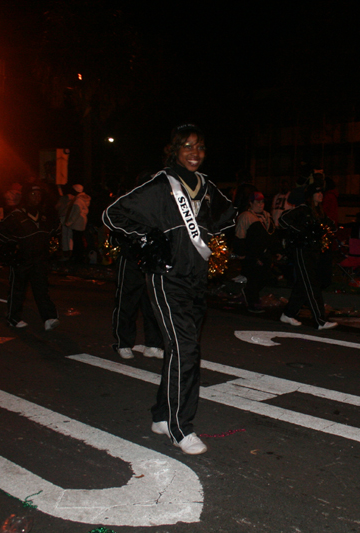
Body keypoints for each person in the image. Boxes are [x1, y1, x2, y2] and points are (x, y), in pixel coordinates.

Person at [102, 124, 236, 455]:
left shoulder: (206, 187)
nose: (195, 152)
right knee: (187, 349)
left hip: (197, 279)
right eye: (187, 146)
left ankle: (162, 416)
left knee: (181, 350)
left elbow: (223, 219)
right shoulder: (161, 185)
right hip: (166, 278)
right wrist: (147, 238)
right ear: (174, 150)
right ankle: (180, 427)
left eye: (200, 146)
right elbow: (112, 214)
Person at [0, 184, 60, 330]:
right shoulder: (16, 215)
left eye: (39, 194)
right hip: (22, 259)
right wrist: (14, 244)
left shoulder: (44, 215)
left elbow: (54, 229)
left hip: (40, 258)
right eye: (33, 194)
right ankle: (13, 317)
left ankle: (49, 317)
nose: (36, 197)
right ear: (26, 196)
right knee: (18, 289)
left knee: (41, 289)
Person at [278, 182, 338, 330]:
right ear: (310, 196)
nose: (320, 195)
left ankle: (288, 313)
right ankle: (320, 320)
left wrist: (330, 229)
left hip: (313, 252)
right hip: (301, 251)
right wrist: (300, 231)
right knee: (311, 284)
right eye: (317, 193)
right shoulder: (303, 209)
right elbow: (283, 220)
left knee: (303, 284)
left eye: (321, 193)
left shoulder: (319, 212)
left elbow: (330, 226)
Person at [109, 230, 166, 360]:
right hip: (131, 256)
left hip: (151, 257)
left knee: (152, 302)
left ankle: (153, 344)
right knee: (127, 300)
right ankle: (123, 343)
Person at [235, 191, 282, 312]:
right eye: (258, 202)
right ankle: (252, 302)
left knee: (265, 276)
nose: (260, 205)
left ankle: (250, 296)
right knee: (254, 278)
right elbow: (240, 236)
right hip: (252, 254)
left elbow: (272, 235)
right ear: (251, 203)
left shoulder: (266, 216)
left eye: (262, 202)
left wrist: (277, 250)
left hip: (264, 253)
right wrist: (242, 253)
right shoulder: (246, 216)